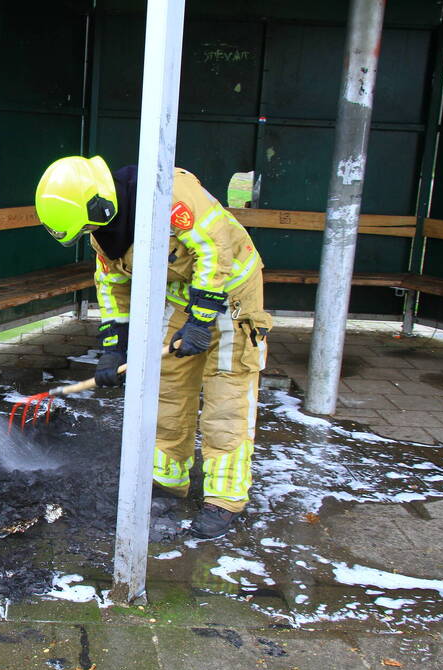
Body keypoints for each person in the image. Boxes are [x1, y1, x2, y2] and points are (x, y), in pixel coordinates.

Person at [34, 156, 272, 539]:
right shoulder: (105, 227)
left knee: (226, 400)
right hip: (182, 299)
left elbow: (215, 251)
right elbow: (112, 286)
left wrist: (201, 320)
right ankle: (167, 482)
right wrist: (115, 347)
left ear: (101, 204)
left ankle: (224, 501)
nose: (91, 235)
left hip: (232, 294)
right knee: (166, 391)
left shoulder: (171, 196)